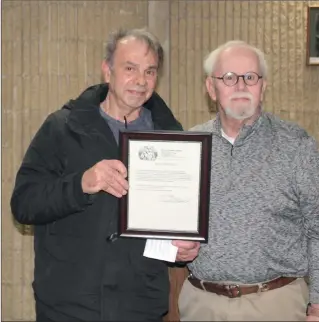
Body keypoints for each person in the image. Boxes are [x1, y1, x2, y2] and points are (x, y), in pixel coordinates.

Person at [10, 28, 200, 322]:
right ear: (107, 71)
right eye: (130, 68)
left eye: (150, 71)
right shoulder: (63, 128)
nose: (140, 80)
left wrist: (179, 249)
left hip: (139, 306)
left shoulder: (171, 139)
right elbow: (23, 204)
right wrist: (81, 184)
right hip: (68, 305)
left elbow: (166, 225)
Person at [178, 40, 319, 321]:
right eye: (228, 77)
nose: (240, 85)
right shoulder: (189, 146)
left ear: (263, 86)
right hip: (201, 305)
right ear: (210, 88)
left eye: (250, 77)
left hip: (276, 305)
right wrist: (175, 248)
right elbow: (172, 221)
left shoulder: (297, 146)